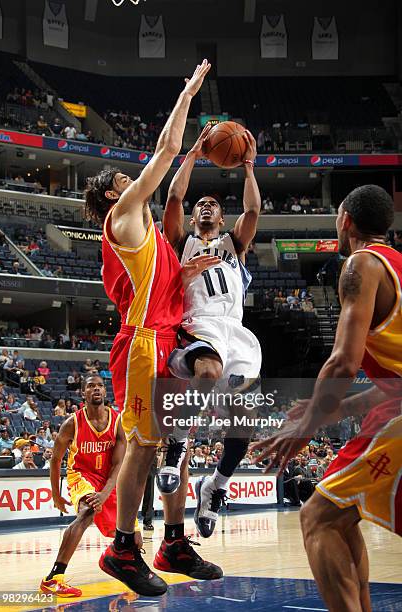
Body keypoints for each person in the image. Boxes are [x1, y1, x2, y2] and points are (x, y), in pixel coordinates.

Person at [84, 59, 221, 597]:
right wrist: (187, 94)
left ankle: (173, 538)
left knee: (174, 437)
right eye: (126, 180)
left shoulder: (149, 240)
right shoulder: (121, 218)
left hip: (166, 335)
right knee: (144, 447)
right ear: (112, 198)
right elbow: (164, 152)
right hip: (142, 346)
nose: (134, 178)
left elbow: (150, 286)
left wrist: (182, 273)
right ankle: (122, 546)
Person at [250, 184, 402, 612]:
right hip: (393, 407)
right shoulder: (398, 267)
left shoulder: (361, 264)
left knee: (316, 517)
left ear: (346, 220)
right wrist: (342, 407)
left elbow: (341, 364)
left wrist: (306, 426)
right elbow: (393, 382)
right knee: (340, 509)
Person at [160, 125, 262, 537]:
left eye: (213, 205)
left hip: (235, 331)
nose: (205, 207)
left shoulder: (234, 245)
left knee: (245, 425)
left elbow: (253, 211)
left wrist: (250, 168)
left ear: (222, 217)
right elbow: (172, 197)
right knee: (207, 373)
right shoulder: (181, 240)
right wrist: (193, 155)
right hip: (197, 323)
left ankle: (215, 486)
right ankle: (177, 443)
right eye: (200, 204)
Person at [40, 374, 140, 597]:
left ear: (105, 392)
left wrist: (105, 494)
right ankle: (53, 578)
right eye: (90, 386)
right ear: (82, 393)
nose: (96, 389)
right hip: (81, 475)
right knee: (87, 512)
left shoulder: (117, 422)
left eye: (100, 386)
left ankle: (131, 571)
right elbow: (55, 460)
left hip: (109, 478)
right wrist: (56, 495)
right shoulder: (72, 423)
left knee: (134, 533)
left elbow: (118, 466)